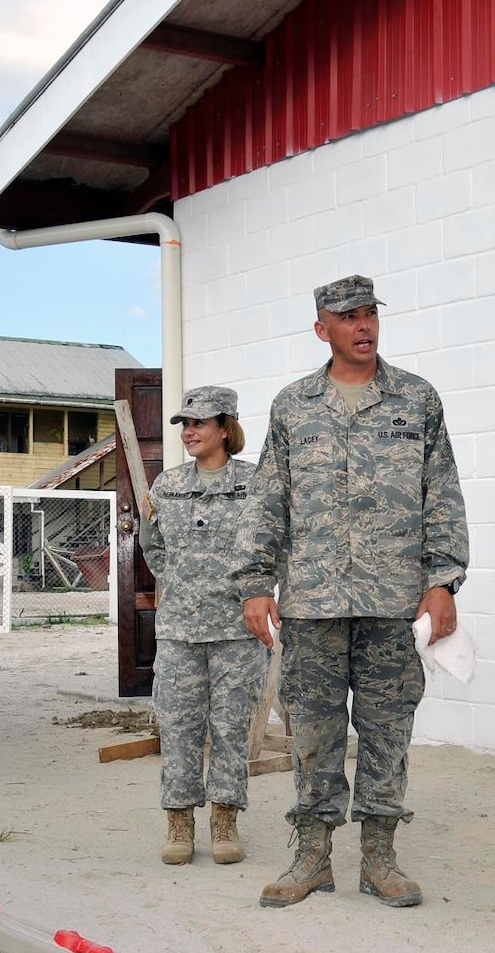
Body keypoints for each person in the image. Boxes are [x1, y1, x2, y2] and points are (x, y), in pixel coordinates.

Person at [237, 275, 469, 909]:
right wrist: (257, 583)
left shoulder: (416, 400)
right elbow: (269, 500)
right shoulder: (294, 406)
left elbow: (441, 495)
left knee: (388, 728)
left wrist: (443, 581)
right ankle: (311, 857)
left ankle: (380, 859)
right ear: (323, 329)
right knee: (312, 730)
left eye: (370, 314)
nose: (363, 326)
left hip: (394, 602)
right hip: (312, 601)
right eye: (348, 318)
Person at [139, 386, 266, 866]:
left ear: (225, 427)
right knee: (178, 728)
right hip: (179, 632)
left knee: (232, 728)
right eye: (184, 424)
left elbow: (274, 545)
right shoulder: (166, 487)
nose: (189, 432)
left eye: (199, 423)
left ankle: (225, 821)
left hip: (238, 631)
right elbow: (153, 548)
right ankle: (179, 824)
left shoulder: (257, 485)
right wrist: (181, 581)